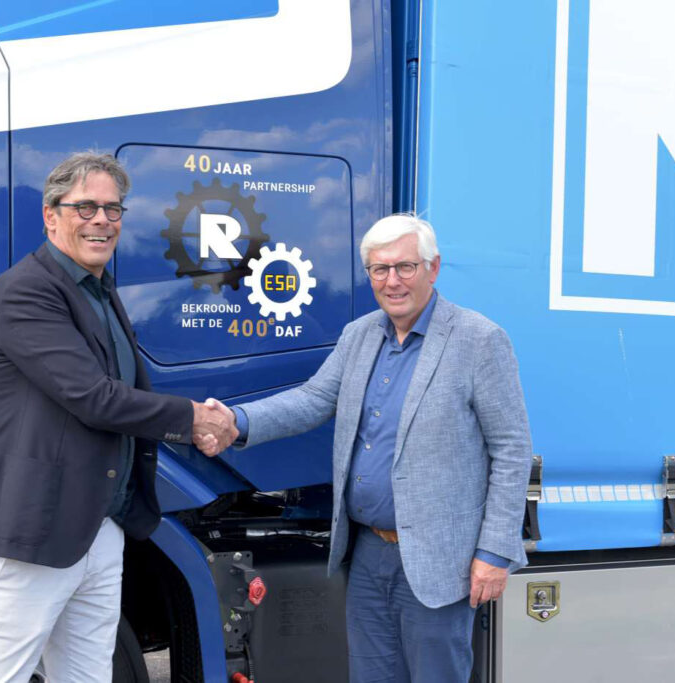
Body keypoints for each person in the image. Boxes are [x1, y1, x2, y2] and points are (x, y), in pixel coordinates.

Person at [197, 214, 533, 682]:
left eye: (405, 267)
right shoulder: (360, 335)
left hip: (439, 560)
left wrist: (494, 553)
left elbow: (512, 450)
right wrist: (237, 420)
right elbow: (313, 399)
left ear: (433, 268)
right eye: (380, 269)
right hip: (369, 554)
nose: (392, 281)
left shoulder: (478, 340)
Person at [0, 152, 236, 682]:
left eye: (112, 209)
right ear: (51, 215)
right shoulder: (26, 290)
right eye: (85, 207)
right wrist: (194, 418)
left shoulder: (98, 289)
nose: (102, 220)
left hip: (99, 527)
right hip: (32, 535)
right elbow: (94, 398)